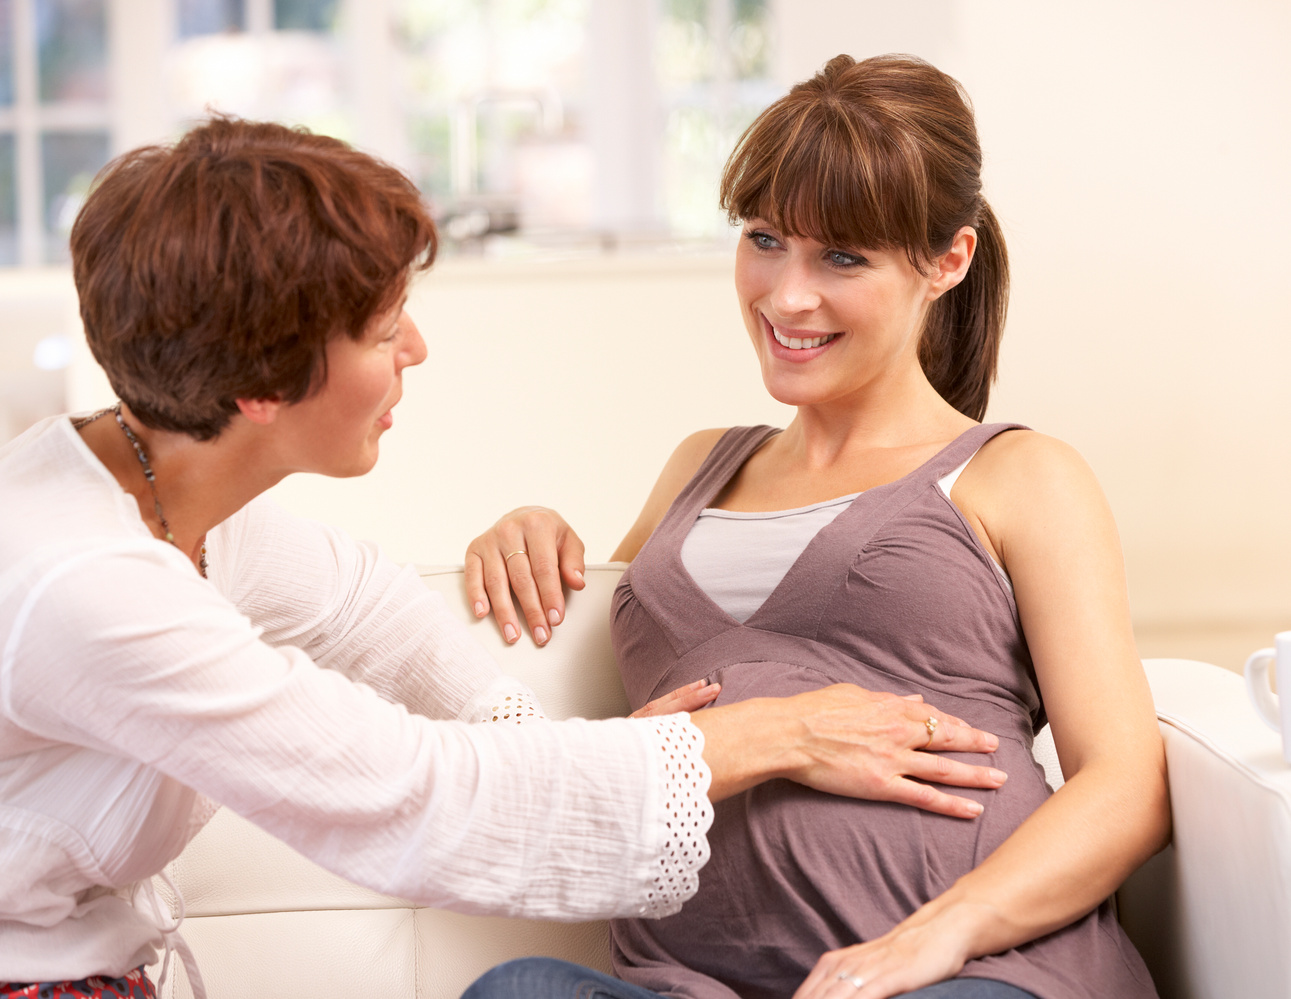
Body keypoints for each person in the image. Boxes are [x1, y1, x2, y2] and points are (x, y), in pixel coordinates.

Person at [0, 116, 1010, 999]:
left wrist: (537, 743)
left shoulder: (151, 482)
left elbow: (364, 611)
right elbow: (410, 799)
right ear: (261, 388)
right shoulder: (86, 591)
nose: (416, 347)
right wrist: (766, 734)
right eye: (383, 325)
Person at [462, 55, 1169, 999]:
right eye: (763, 240)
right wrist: (530, 526)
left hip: (973, 976)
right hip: (692, 983)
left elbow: (1124, 782)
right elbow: (599, 662)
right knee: (520, 991)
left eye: (842, 257)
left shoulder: (1017, 475)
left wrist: (936, 936)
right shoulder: (699, 464)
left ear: (946, 261)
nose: (786, 296)